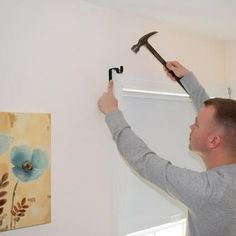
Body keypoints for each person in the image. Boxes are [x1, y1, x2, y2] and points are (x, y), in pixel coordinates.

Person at [97, 61, 236, 236]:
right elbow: (221, 120)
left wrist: (112, 113)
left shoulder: (207, 191)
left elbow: (144, 161)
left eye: (197, 124)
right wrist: (188, 79)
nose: (191, 126)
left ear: (214, 141)